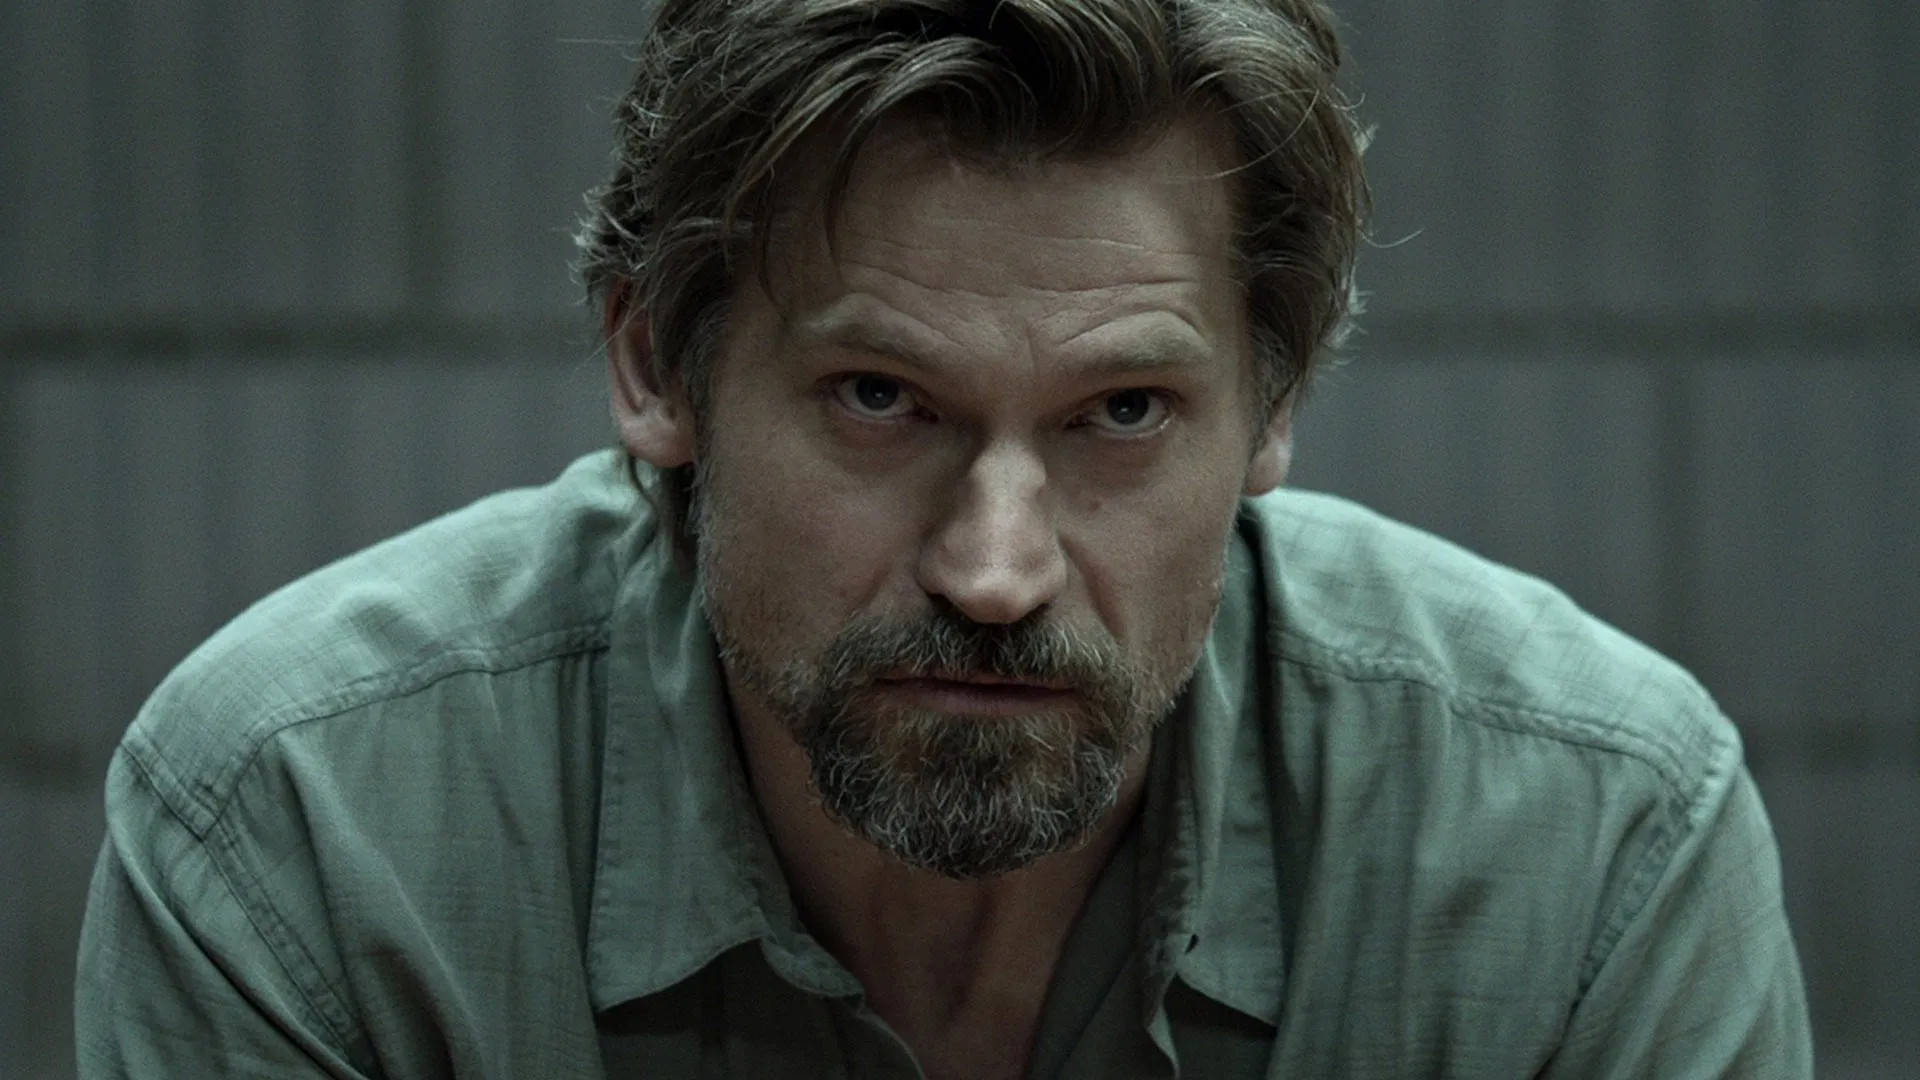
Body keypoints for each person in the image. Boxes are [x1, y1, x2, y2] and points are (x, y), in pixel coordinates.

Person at [75, 1, 1812, 1076]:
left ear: (1273, 406)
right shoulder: (303, 834)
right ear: (655, 362)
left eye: (1121, 413)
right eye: (880, 399)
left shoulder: (1592, 844)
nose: (997, 571)